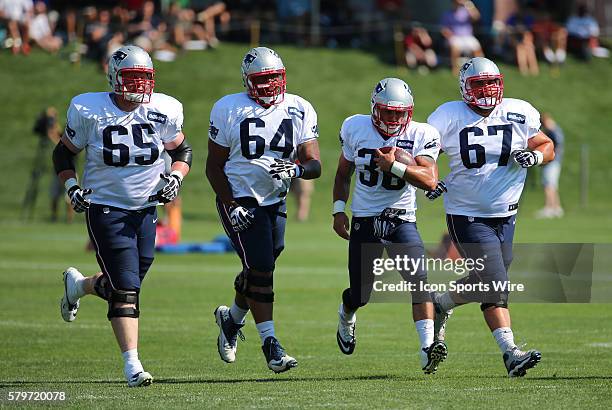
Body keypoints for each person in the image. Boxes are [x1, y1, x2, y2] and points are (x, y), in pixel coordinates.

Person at [53, 45, 192, 387]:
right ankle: (133, 365)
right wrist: (72, 187)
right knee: (127, 289)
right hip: (106, 208)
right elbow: (63, 153)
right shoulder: (90, 109)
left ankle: (80, 286)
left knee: (125, 282)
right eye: (132, 77)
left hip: (146, 210)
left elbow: (182, 150)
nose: (139, 85)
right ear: (114, 78)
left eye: (144, 78)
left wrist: (175, 177)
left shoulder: (164, 108)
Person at [426, 57, 555, 377]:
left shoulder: (519, 110)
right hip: (467, 214)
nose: (486, 90)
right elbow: (425, 153)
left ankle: (440, 303)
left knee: (489, 282)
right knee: (495, 281)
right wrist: (430, 178)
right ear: (464, 87)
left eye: (491, 83)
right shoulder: (448, 115)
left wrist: (535, 155)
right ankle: (511, 353)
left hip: (506, 215)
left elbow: (546, 144)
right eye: (478, 84)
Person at [206, 46, 321, 373]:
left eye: (274, 77)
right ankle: (270, 344)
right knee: (262, 268)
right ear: (247, 81)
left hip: (275, 201)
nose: (270, 84)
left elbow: (314, 164)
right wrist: (231, 205)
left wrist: (296, 170)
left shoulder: (299, 108)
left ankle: (232, 319)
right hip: (240, 198)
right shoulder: (228, 108)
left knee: (260, 266)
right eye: (263, 78)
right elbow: (213, 167)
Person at [332, 77, 446, 374]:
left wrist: (395, 166)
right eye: (388, 111)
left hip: (401, 219)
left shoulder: (422, 133)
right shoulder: (355, 127)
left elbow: (430, 180)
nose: (394, 118)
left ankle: (426, 348)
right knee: (360, 294)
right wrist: (338, 210)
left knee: (419, 280)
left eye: (400, 112)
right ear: (374, 108)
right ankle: (346, 315)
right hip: (365, 220)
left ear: (409, 111)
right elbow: (343, 174)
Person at [440, 0, 483, 75]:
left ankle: (480, 68)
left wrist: (469, 5)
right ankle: (455, 70)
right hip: (455, 37)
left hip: (468, 37)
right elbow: (444, 29)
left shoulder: (466, 12)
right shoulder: (447, 14)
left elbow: (476, 17)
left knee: (477, 48)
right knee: (455, 47)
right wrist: (449, 36)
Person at [535, 112, 564, 218]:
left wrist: (545, 158)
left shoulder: (552, 131)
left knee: (548, 185)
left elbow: (552, 146)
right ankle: (556, 207)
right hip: (556, 161)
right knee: (553, 185)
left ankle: (549, 208)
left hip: (552, 161)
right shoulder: (557, 129)